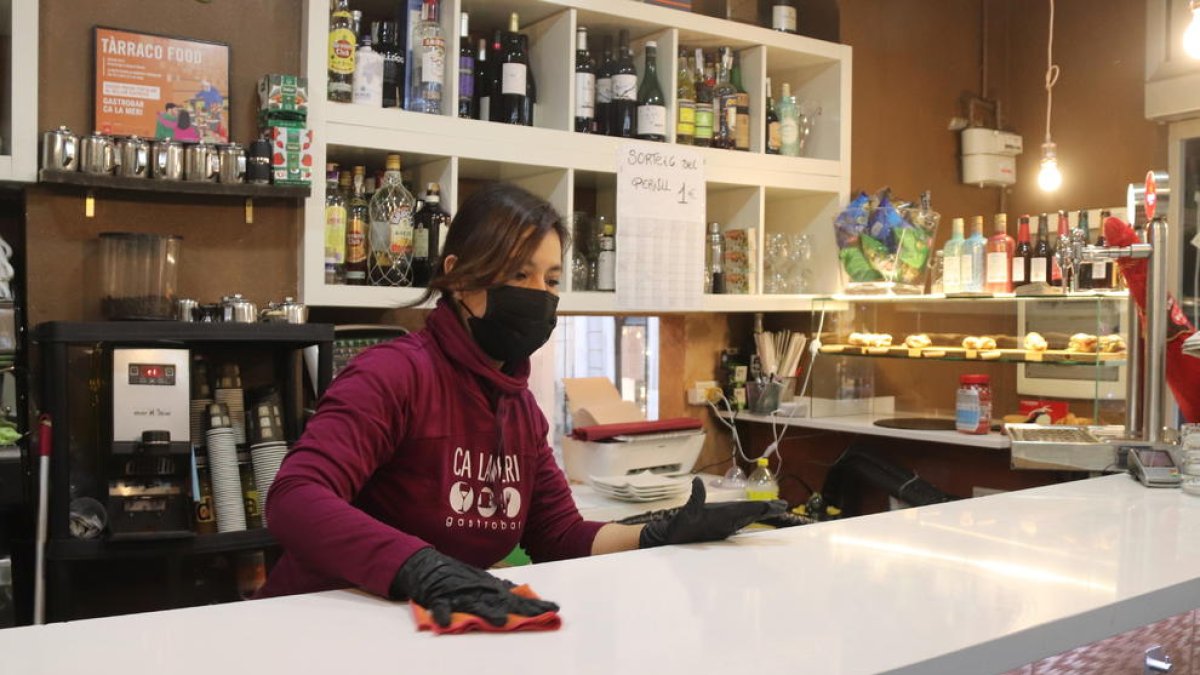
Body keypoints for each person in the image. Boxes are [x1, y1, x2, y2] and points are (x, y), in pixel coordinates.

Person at [259, 183, 784, 626]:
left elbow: (558, 536)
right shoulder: (395, 374)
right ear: (459, 277)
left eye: (552, 281)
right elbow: (295, 498)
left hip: (429, 633)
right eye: (518, 274)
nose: (539, 294)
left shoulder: (519, 409)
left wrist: (659, 532)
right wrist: (419, 566)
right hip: (324, 621)